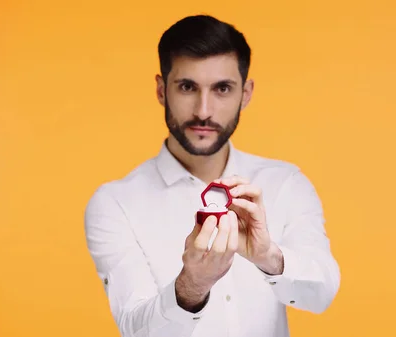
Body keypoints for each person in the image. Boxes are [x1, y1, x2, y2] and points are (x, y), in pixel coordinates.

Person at [84, 14, 341, 337]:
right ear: (162, 90)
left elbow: (321, 296)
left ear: (245, 94)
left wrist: (269, 257)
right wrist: (192, 285)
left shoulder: (286, 184)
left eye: (222, 88)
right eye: (187, 86)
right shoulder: (115, 203)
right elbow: (136, 329)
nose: (203, 110)